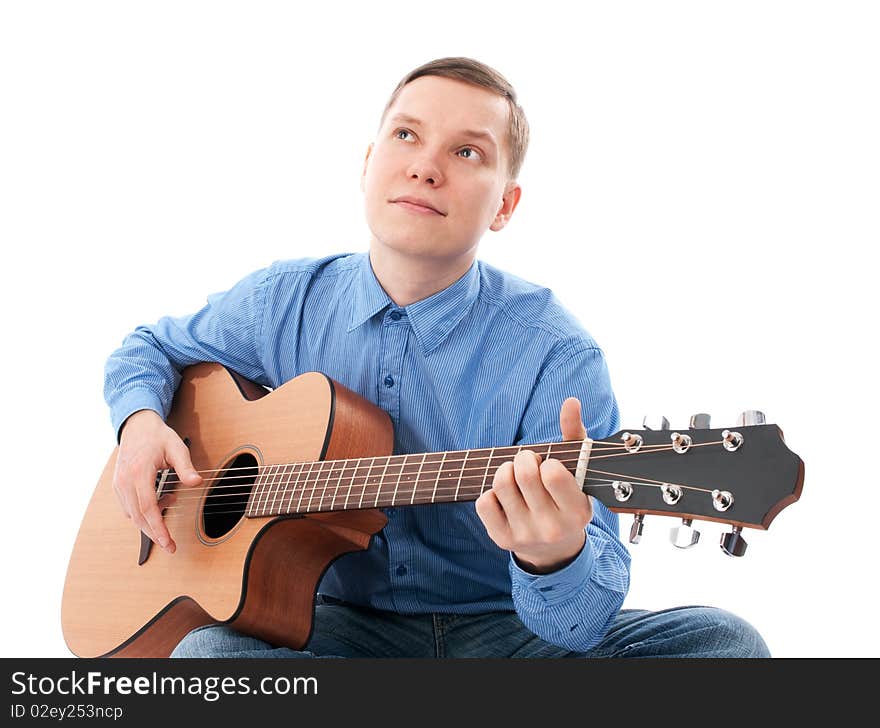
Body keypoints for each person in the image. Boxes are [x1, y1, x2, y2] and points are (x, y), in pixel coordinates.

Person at [104, 57, 769, 658]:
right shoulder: (284, 299)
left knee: (725, 646)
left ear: (504, 205)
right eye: (406, 136)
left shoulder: (556, 351)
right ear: (367, 163)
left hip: (508, 635)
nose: (425, 165)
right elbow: (149, 349)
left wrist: (553, 556)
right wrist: (138, 428)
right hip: (327, 629)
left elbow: (581, 625)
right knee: (208, 661)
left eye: (467, 151)